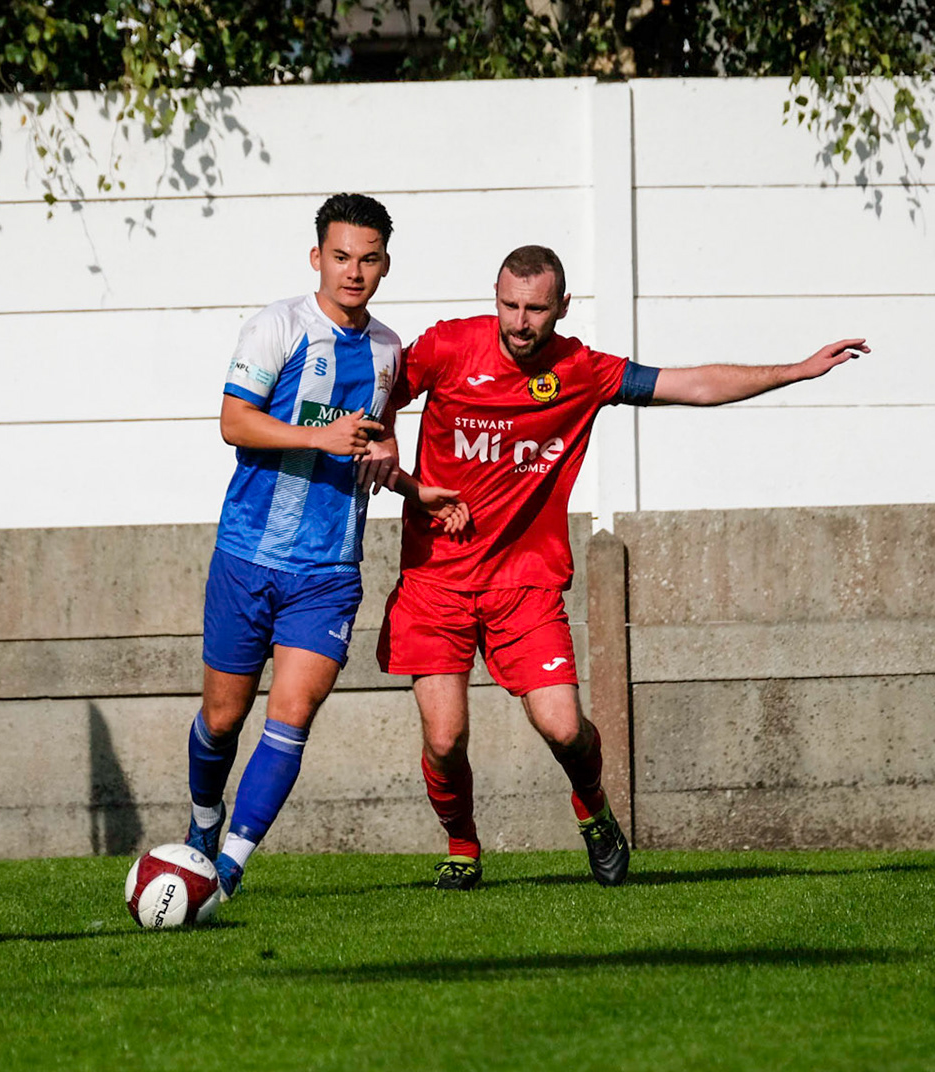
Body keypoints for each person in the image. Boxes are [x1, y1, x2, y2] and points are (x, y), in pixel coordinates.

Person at [382, 244, 868, 890]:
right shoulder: (448, 347)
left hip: (525, 583)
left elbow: (691, 385)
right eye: (509, 305)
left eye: (535, 309)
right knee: (444, 740)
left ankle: (594, 809)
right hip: (435, 579)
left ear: (562, 307)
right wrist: (410, 484)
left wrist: (797, 371)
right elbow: (374, 403)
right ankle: (463, 847)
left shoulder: (580, 371)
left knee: (564, 729)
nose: (519, 323)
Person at [183, 192, 466, 896]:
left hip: (329, 570)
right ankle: (203, 822)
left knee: (293, 715)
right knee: (222, 719)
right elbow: (233, 422)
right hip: (247, 555)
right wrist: (319, 436)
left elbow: (369, 446)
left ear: (385, 265)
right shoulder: (276, 327)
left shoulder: (388, 350)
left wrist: (411, 487)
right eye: (341, 257)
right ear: (317, 257)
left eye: (368, 259)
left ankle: (226, 871)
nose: (353, 272)